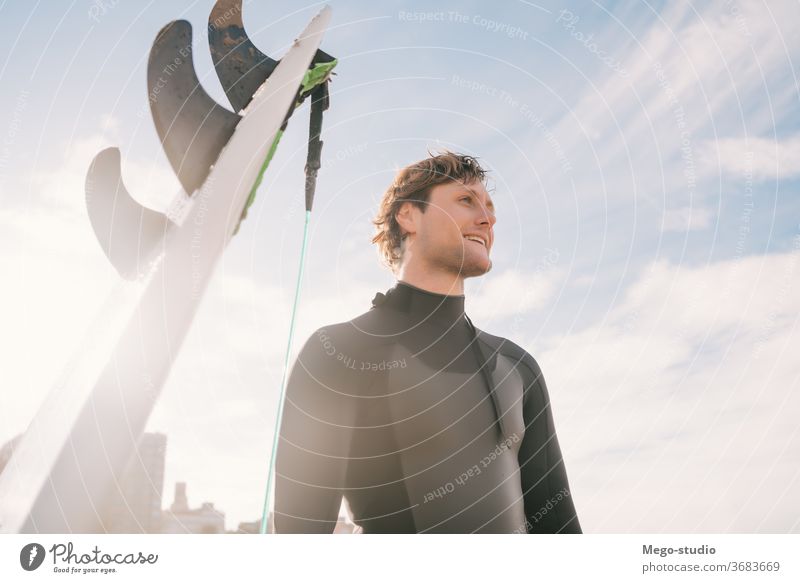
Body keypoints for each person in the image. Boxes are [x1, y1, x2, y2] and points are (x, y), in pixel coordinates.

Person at [274, 151, 581, 533]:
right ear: (408, 216)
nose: (488, 218)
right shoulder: (340, 352)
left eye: (489, 207)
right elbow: (299, 533)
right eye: (466, 200)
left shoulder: (517, 366)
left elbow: (558, 527)